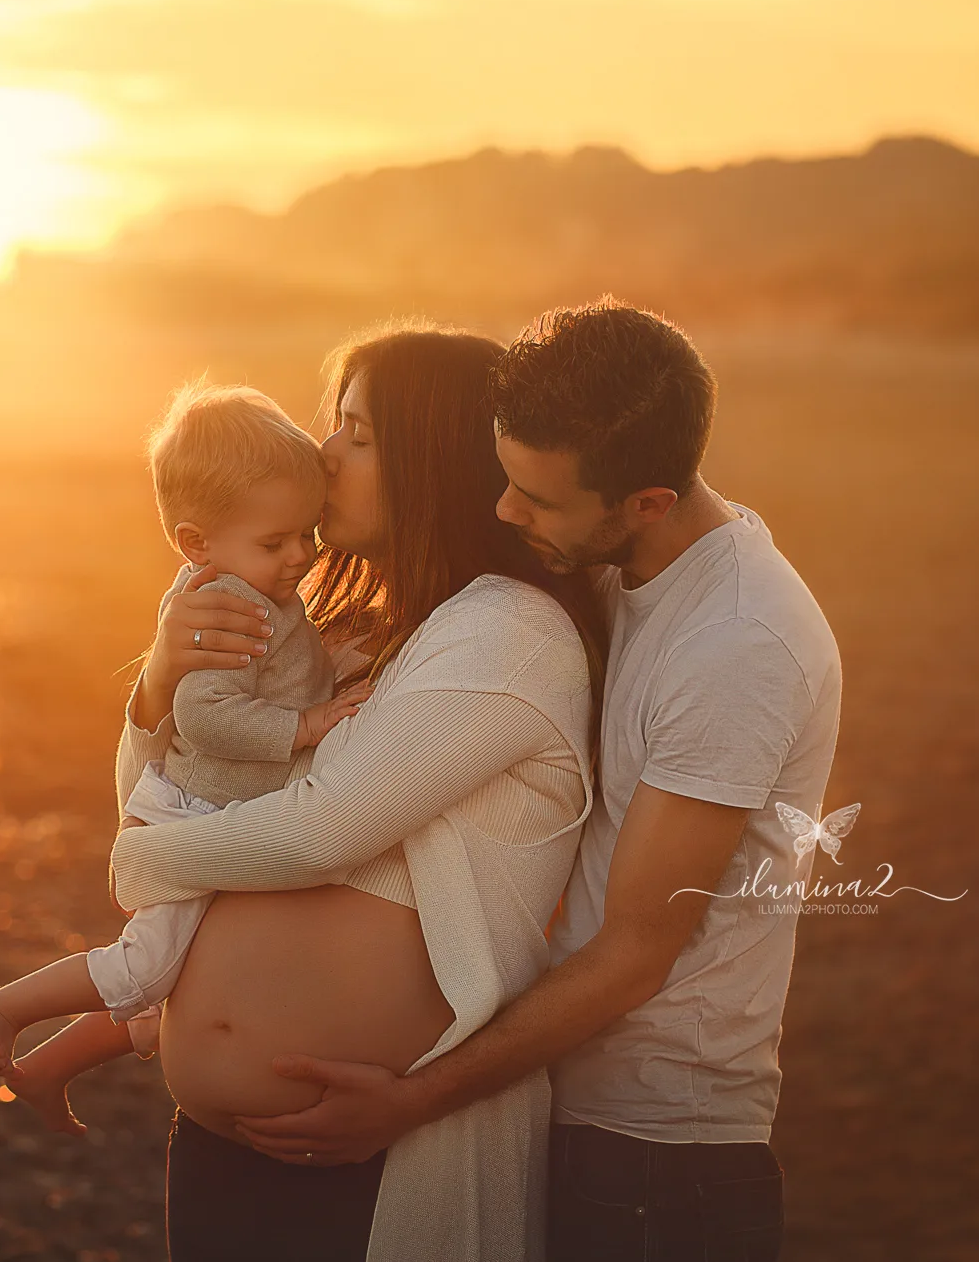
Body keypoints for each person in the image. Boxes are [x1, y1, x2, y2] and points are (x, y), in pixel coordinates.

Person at [219, 300, 842, 1262]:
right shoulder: (606, 569)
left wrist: (412, 1100)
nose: (506, 511)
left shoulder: (735, 643)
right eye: (504, 478)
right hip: (560, 1107)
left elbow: (637, 949)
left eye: (537, 500)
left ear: (648, 502)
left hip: (654, 1155)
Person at [108, 325, 607, 1261]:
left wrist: (136, 861)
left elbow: (318, 831)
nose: (322, 452)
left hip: (368, 1157)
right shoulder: (341, 629)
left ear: (435, 459)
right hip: (227, 1152)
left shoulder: (506, 631)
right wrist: (157, 683)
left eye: (357, 432)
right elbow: (177, 791)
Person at [0, 383, 368, 1134]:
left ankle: (51, 1065)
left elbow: (285, 666)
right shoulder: (228, 606)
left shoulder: (252, 586)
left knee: (172, 973)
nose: (301, 557)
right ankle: (3, 1006)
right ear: (196, 545)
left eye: (305, 535)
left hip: (213, 804)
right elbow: (207, 716)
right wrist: (307, 724)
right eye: (276, 543)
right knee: (146, 965)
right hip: (195, 810)